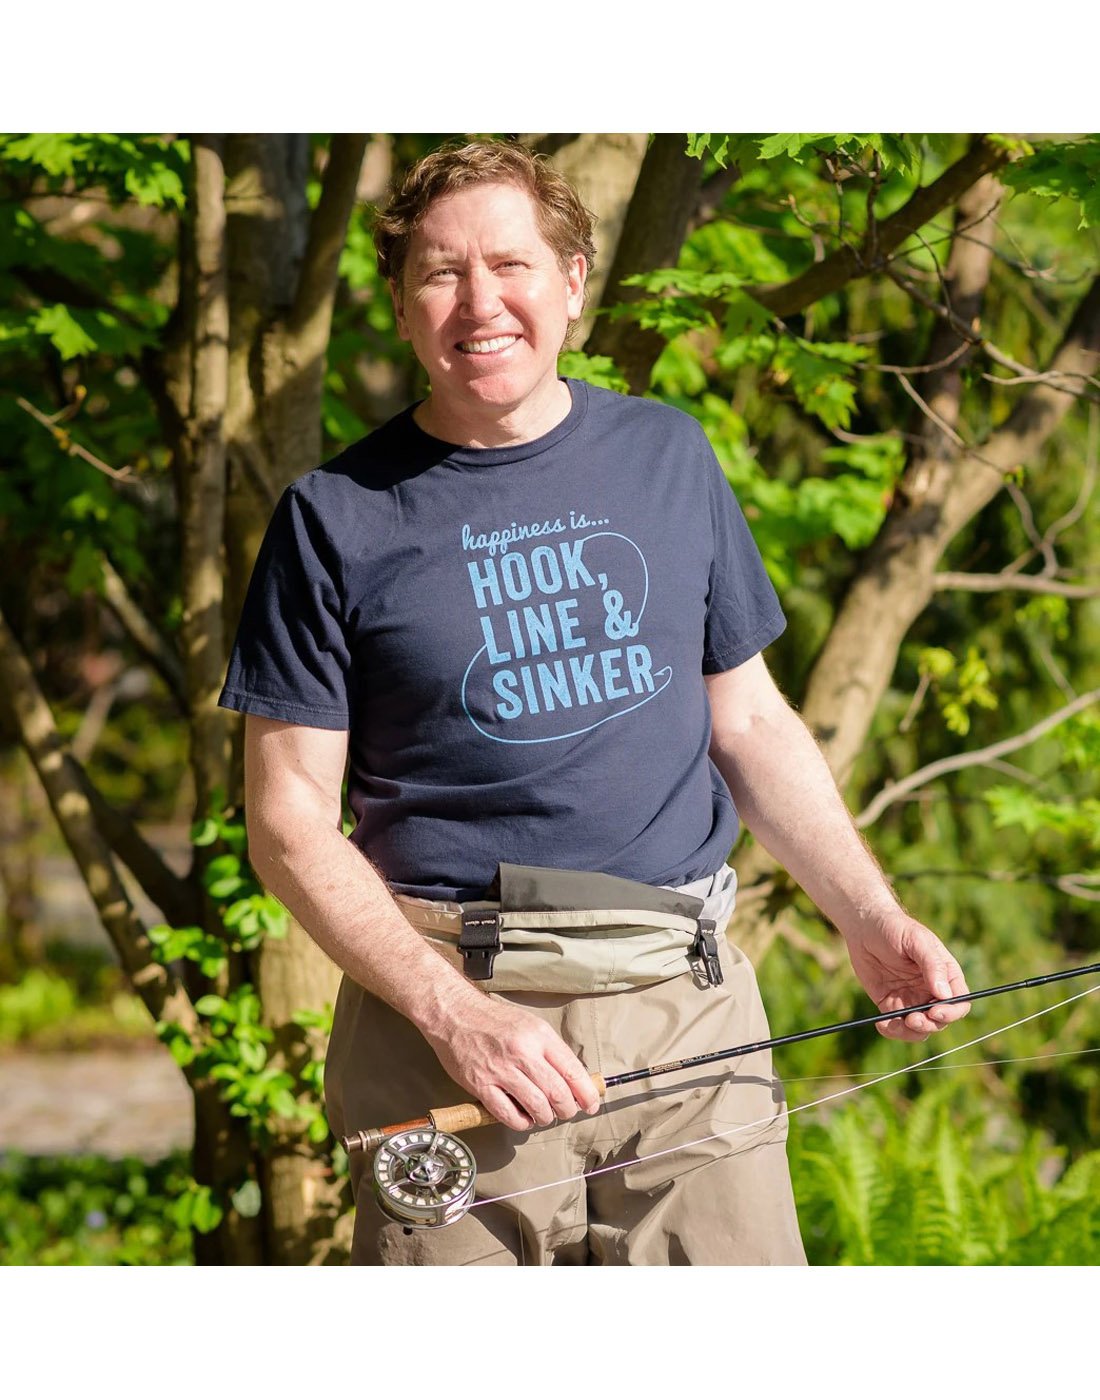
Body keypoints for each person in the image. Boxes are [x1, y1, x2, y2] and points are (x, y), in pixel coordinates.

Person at [218, 139, 971, 1266]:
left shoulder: (667, 454)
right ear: (400, 304)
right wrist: (451, 1015)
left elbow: (750, 721)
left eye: (511, 265)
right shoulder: (333, 518)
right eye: (440, 272)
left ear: (573, 283)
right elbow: (285, 818)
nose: (480, 301)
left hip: (685, 1005)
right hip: (453, 1023)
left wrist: (867, 915)